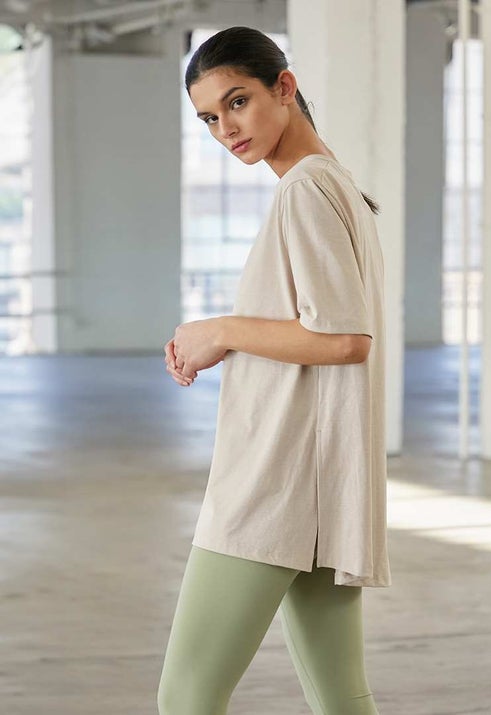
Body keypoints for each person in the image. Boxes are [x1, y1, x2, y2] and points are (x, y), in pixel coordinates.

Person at [159, 25, 391, 715]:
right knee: (341, 696)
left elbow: (345, 338)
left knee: (187, 695)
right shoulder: (334, 183)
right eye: (209, 118)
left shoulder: (305, 190)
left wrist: (220, 330)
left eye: (237, 102)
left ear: (283, 88)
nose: (225, 128)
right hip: (319, 482)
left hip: (275, 482)